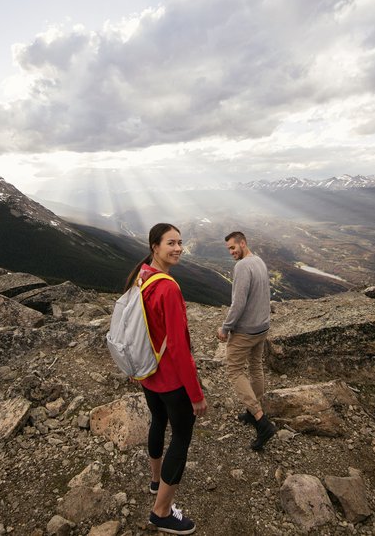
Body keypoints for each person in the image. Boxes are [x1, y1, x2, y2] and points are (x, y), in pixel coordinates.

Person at [125, 223, 206, 535]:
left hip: (148, 374)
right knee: (181, 437)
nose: (178, 248)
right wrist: (195, 394)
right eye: (171, 243)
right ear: (155, 246)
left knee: (158, 421)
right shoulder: (168, 288)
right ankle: (161, 512)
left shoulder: (141, 275)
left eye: (180, 242)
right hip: (171, 379)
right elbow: (179, 348)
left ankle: (155, 480)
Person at [216, 231, 277, 451]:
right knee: (255, 366)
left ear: (243, 243)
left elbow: (238, 302)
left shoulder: (242, 266)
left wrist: (225, 328)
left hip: (246, 331)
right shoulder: (258, 261)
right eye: (229, 249)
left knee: (234, 370)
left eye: (233, 247)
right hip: (262, 327)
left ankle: (260, 420)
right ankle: (253, 411)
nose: (231, 252)